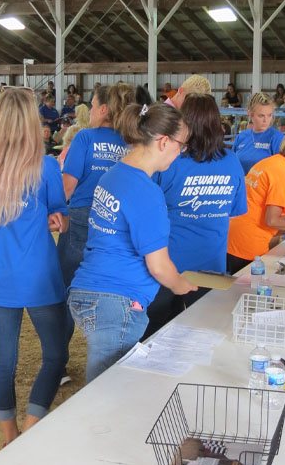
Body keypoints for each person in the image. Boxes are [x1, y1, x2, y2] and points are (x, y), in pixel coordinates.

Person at [0, 88, 70, 446]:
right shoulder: (45, 166)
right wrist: (57, 221)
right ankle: (31, 426)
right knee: (56, 353)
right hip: (40, 276)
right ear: (29, 123)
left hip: (0, 277)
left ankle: (9, 436)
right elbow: (60, 215)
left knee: (4, 359)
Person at [68, 103, 197, 382]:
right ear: (164, 142)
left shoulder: (113, 175)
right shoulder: (146, 191)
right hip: (117, 301)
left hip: (89, 289)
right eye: (181, 146)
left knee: (107, 386)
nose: (180, 153)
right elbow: (159, 265)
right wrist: (181, 285)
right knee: (107, 393)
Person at [144, 94, 247, 337]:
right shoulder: (231, 161)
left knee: (157, 333)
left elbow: (149, 209)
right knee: (204, 334)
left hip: (168, 266)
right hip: (211, 265)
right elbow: (234, 212)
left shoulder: (170, 160)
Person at [58, 83, 134, 289]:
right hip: (118, 218)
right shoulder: (131, 141)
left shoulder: (85, 137)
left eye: (92, 105)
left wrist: (54, 211)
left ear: (103, 110)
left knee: (68, 280)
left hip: (83, 215)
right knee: (105, 281)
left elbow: (68, 185)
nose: (90, 111)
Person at [226, 128, 285, 274]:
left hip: (233, 236)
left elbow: (259, 196)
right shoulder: (284, 175)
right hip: (249, 245)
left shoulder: (271, 162)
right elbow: (272, 220)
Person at [232, 92, 285, 174]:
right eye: (261, 116)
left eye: (269, 115)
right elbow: (233, 164)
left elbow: (281, 170)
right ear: (250, 114)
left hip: (265, 185)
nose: (266, 120)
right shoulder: (241, 137)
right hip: (242, 184)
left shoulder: (276, 138)